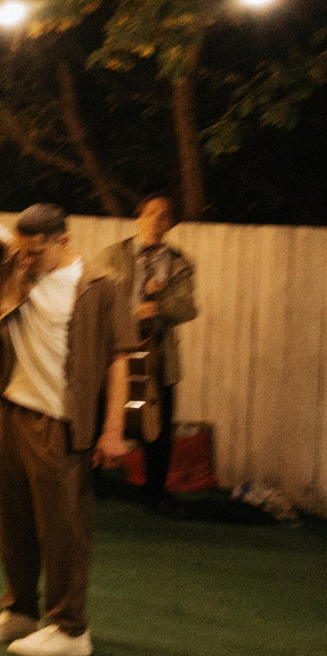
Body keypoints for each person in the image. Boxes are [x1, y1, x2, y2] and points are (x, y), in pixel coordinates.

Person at [0, 125, 130, 656]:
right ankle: (19, 610)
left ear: (63, 242)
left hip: (61, 423)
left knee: (62, 528)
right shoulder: (13, 263)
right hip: (12, 412)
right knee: (11, 520)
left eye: (36, 251)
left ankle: (71, 628)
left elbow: (120, 358)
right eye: (23, 250)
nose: (26, 260)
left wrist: (112, 430)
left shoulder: (100, 287)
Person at [89, 193, 197, 509]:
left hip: (158, 353)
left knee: (158, 425)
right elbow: (96, 300)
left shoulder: (179, 262)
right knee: (99, 415)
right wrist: (133, 310)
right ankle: (87, 483)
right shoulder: (113, 255)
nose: (156, 220)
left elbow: (188, 307)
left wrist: (159, 305)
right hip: (114, 352)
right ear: (138, 218)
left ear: (171, 224)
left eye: (164, 215)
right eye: (150, 213)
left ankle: (155, 492)